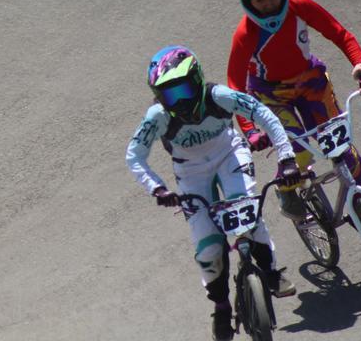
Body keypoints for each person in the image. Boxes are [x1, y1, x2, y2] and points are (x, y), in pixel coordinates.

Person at [126, 45, 300, 341]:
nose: (179, 101)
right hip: (191, 173)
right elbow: (134, 156)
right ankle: (221, 307)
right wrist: (157, 187)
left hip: (230, 155)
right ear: (158, 97)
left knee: (247, 216)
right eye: (170, 95)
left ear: (197, 80)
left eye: (183, 90)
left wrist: (287, 157)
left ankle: (271, 272)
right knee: (208, 249)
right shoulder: (157, 116)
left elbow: (263, 114)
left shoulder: (219, 95)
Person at [227, 0, 361, 221]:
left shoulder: (300, 6)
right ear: (247, 1)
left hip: (312, 84)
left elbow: (339, 34)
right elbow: (235, 86)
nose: (268, 5)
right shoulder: (245, 34)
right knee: (298, 154)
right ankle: (286, 188)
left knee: (346, 153)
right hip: (272, 96)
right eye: (260, 0)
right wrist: (250, 130)